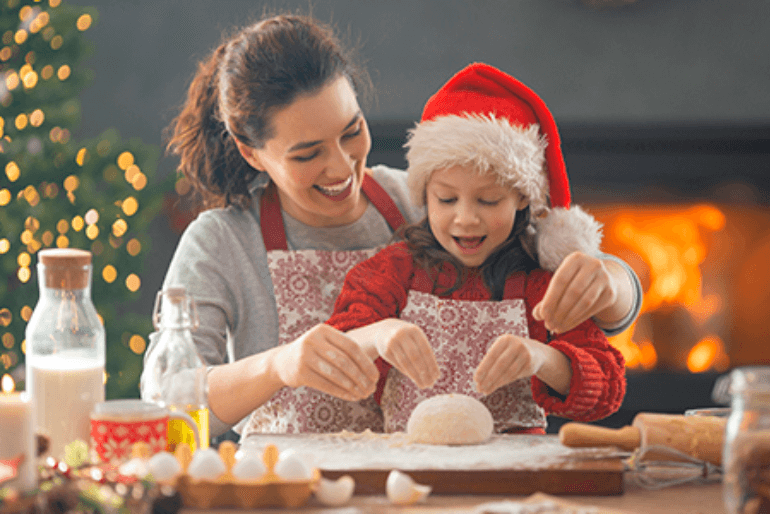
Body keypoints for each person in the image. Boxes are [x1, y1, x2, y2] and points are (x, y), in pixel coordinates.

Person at [142, 13, 641, 441]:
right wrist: (279, 364)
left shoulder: (425, 199)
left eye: (351, 131)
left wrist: (610, 281)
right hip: (293, 489)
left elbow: (579, 293)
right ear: (252, 152)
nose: (341, 168)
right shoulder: (221, 241)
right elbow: (167, 402)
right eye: (308, 153)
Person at [307, 62, 626, 436]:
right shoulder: (394, 271)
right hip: (410, 466)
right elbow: (332, 355)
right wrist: (378, 336)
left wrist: (541, 358)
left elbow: (608, 389)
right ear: (424, 195)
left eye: (489, 201)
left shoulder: (540, 285)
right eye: (446, 199)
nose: (465, 219)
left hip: (516, 478)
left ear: (522, 198)